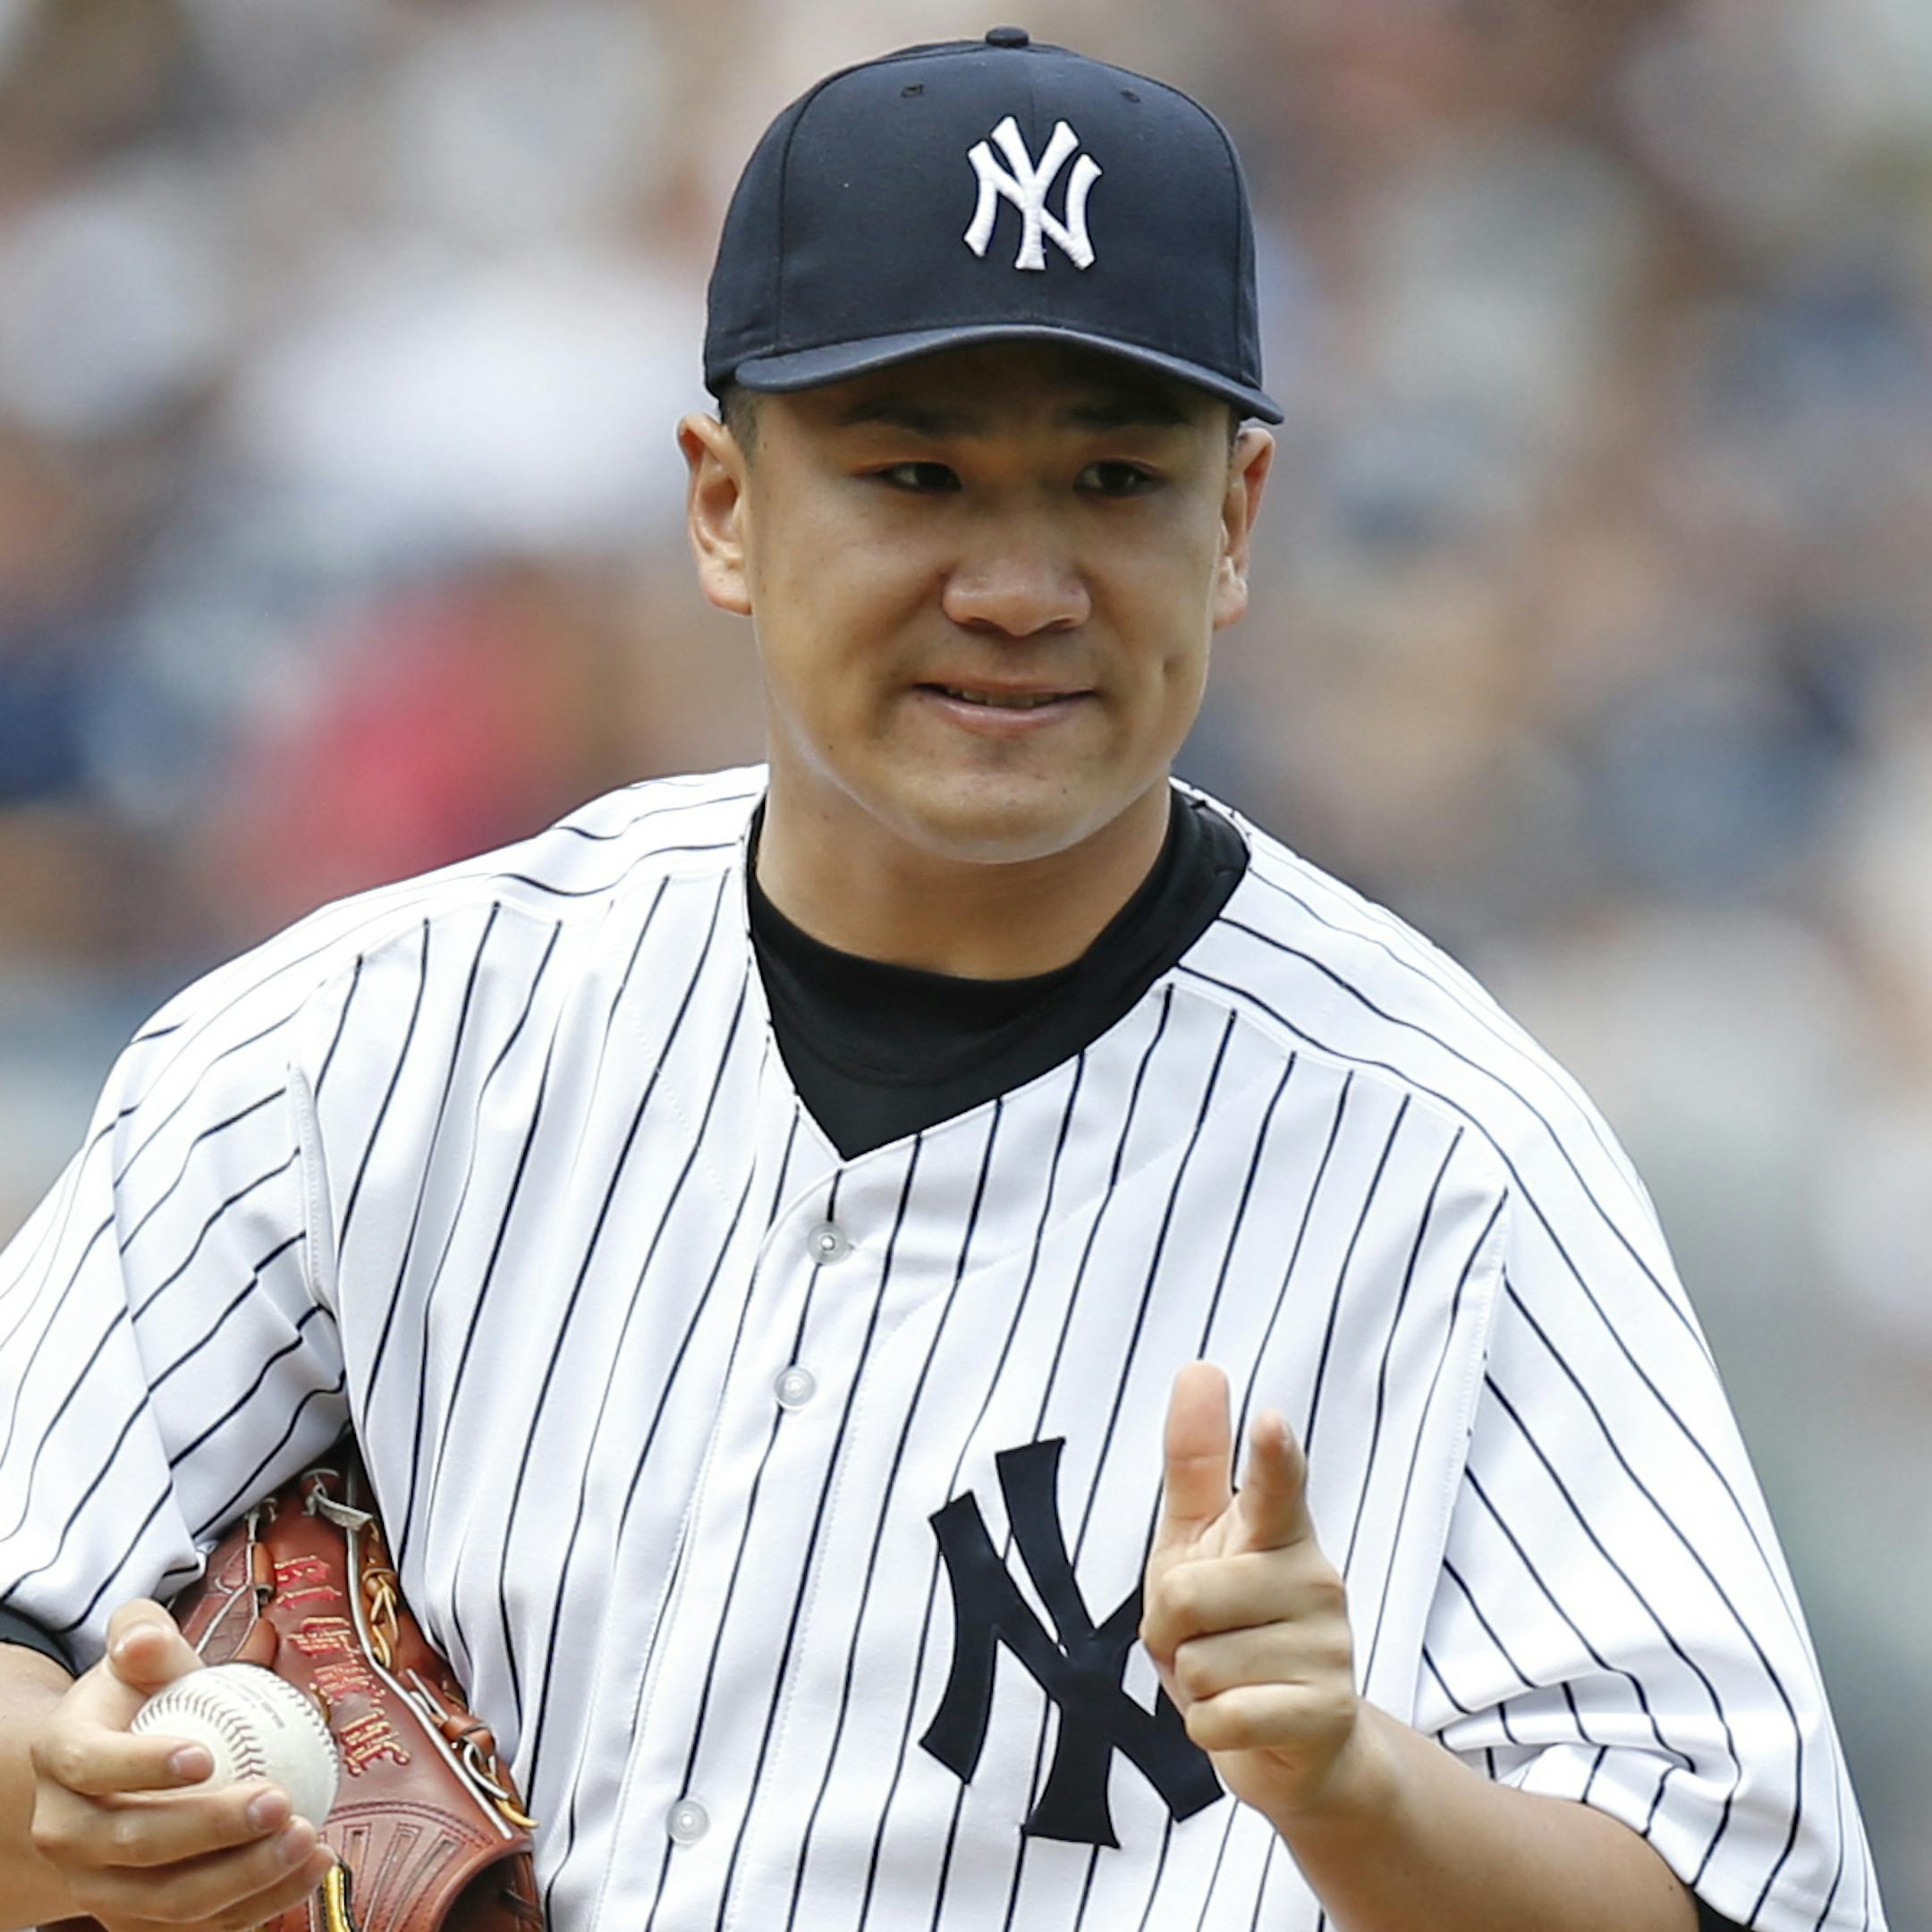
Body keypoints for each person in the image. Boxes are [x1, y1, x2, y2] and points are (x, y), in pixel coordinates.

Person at [0, 28, 1887, 1932]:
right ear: (726, 506)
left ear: (1234, 523)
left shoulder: (1452, 1157)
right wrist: (69, 1807)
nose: (1018, 586)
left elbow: (1734, 1884)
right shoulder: (361, 1046)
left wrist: (1355, 1785)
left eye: (1114, 480)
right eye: (916, 474)